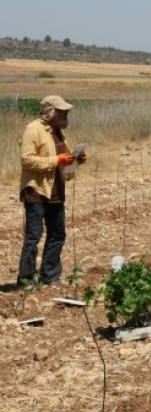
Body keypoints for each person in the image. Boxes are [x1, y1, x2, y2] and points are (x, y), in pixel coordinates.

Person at [17, 95, 87, 286]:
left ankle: (50, 276)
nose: (66, 115)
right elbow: (27, 160)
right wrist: (57, 161)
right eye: (62, 112)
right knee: (33, 237)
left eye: (66, 112)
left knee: (57, 234)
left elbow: (63, 160)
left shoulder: (58, 132)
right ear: (51, 112)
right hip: (37, 191)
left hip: (56, 190)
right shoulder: (33, 130)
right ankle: (25, 281)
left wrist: (75, 161)